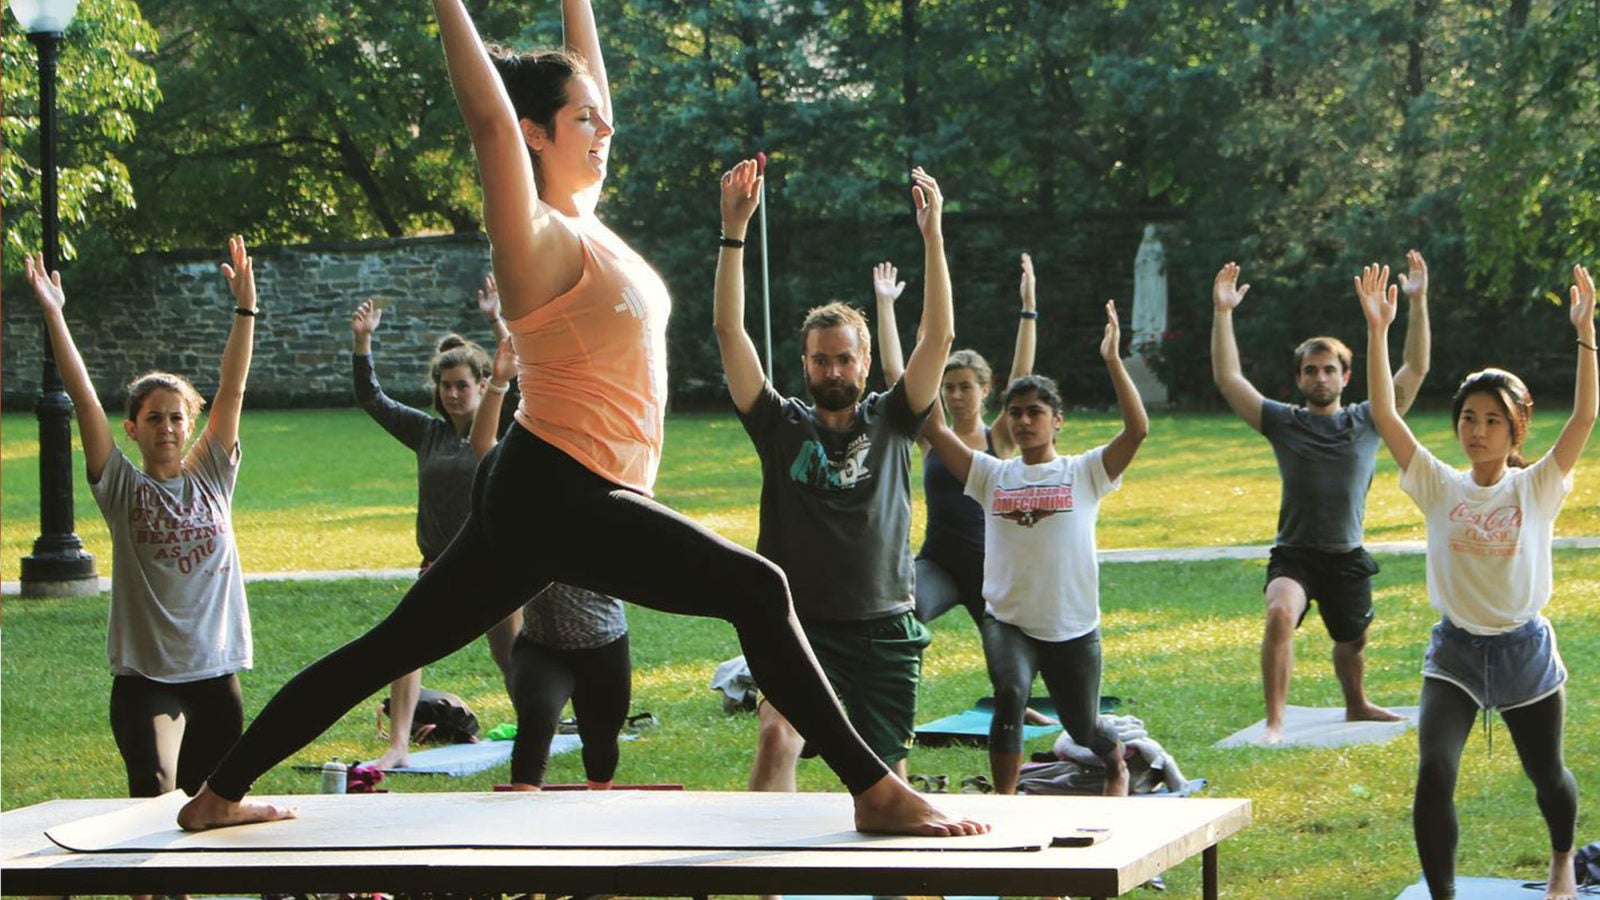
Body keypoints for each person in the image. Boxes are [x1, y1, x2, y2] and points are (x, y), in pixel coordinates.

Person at [177, 0, 984, 839]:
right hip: (558, 486)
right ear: (534, 132)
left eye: (601, 114)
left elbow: (585, 94)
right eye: (582, 118)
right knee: (759, 587)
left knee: (390, 647)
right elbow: (488, 118)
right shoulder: (531, 235)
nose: (604, 128)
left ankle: (216, 793)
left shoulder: (584, 212)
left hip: (540, 487)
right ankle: (875, 789)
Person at [1357, 262, 1595, 900]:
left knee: (1547, 776)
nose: (1477, 430)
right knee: (1434, 770)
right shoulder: (1440, 484)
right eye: (1468, 418)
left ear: (1516, 427)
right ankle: (1444, 895)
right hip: (1456, 651)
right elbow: (1384, 412)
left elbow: (1583, 419)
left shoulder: (1535, 487)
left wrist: (1585, 333)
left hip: (1524, 651)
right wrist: (1380, 329)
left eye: (1492, 419)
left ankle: (1563, 858)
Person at [715, 159, 951, 789]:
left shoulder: (896, 416)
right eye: (821, 361)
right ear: (805, 364)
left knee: (887, 775)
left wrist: (933, 237)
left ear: (866, 361)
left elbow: (939, 337)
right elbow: (728, 330)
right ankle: (767, 884)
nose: (833, 371)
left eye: (844, 359)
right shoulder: (778, 423)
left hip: (884, 625)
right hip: (797, 624)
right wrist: (734, 230)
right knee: (774, 736)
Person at [25, 237, 258, 800]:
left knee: (209, 808)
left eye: (177, 417)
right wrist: (55, 315)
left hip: (215, 674)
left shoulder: (211, 475)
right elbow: (82, 398)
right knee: (154, 795)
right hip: (146, 682)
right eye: (154, 418)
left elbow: (232, 387)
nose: (168, 427)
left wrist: (245, 308)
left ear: (190, 423)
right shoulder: (122, 486)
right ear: (133, 428)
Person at [922, 302, 1148, 796]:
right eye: (1016, 413)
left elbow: (1137, 430)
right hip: (1009, 620)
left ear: (1057, 421)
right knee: (1008, 694)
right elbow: (936, 428)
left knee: (1085, 725)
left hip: (1072, 625)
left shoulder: (1085, 471)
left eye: (1035, 413)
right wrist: (931, 345)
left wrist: (1113, 360)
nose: (1024, 422)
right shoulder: (991, 474)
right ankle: (1005, 806)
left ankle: (1115, 763)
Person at [1211, 254, 1432, 744]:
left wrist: (1416, 302)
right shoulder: (1283, 422)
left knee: (1352, 639)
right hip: (1296, 554)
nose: (1320, 378)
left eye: (1329, 369)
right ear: (1299, 378)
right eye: (1310, 371)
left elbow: (1415, 367)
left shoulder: (1372, 418)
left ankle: (1357, 704)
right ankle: (1275, 720)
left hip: (1346, 554)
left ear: (1346, 377)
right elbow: (1230, 380)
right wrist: (1223, 312)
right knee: (1279, 614)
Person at [349, 291, 519, 769]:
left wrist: (498, 323)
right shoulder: (427, 434)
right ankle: (398, 745)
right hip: (439, 563)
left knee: (512, 657)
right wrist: (363, 342)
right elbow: (371, 399)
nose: (452, 393)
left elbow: (518, 373)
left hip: (495, 562)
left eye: (462, 385)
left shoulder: (507, 424)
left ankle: (536, 728)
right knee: (405, 646)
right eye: (445, 385)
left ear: (483, 386)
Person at [472, 340, 632, 791]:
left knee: (601, 752)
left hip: (604, 644)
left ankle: (600, 842)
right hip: (542, 646)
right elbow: (483, 447)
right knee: (535, 727)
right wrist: (500, 381)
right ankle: (519, 850)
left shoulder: (606, 473)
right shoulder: (524, 475)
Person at [875, 252, 1036, 627]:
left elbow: (1022, 375)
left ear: (985, 389)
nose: (956, 395)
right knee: (899, 615)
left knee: (1012, 681)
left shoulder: (999, 437)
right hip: (938, 566)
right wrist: (885, 306)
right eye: (948, 388)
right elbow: (894, 375)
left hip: (993, 570)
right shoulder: (934, 438)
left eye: (965, 387)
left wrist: (1029, 309)